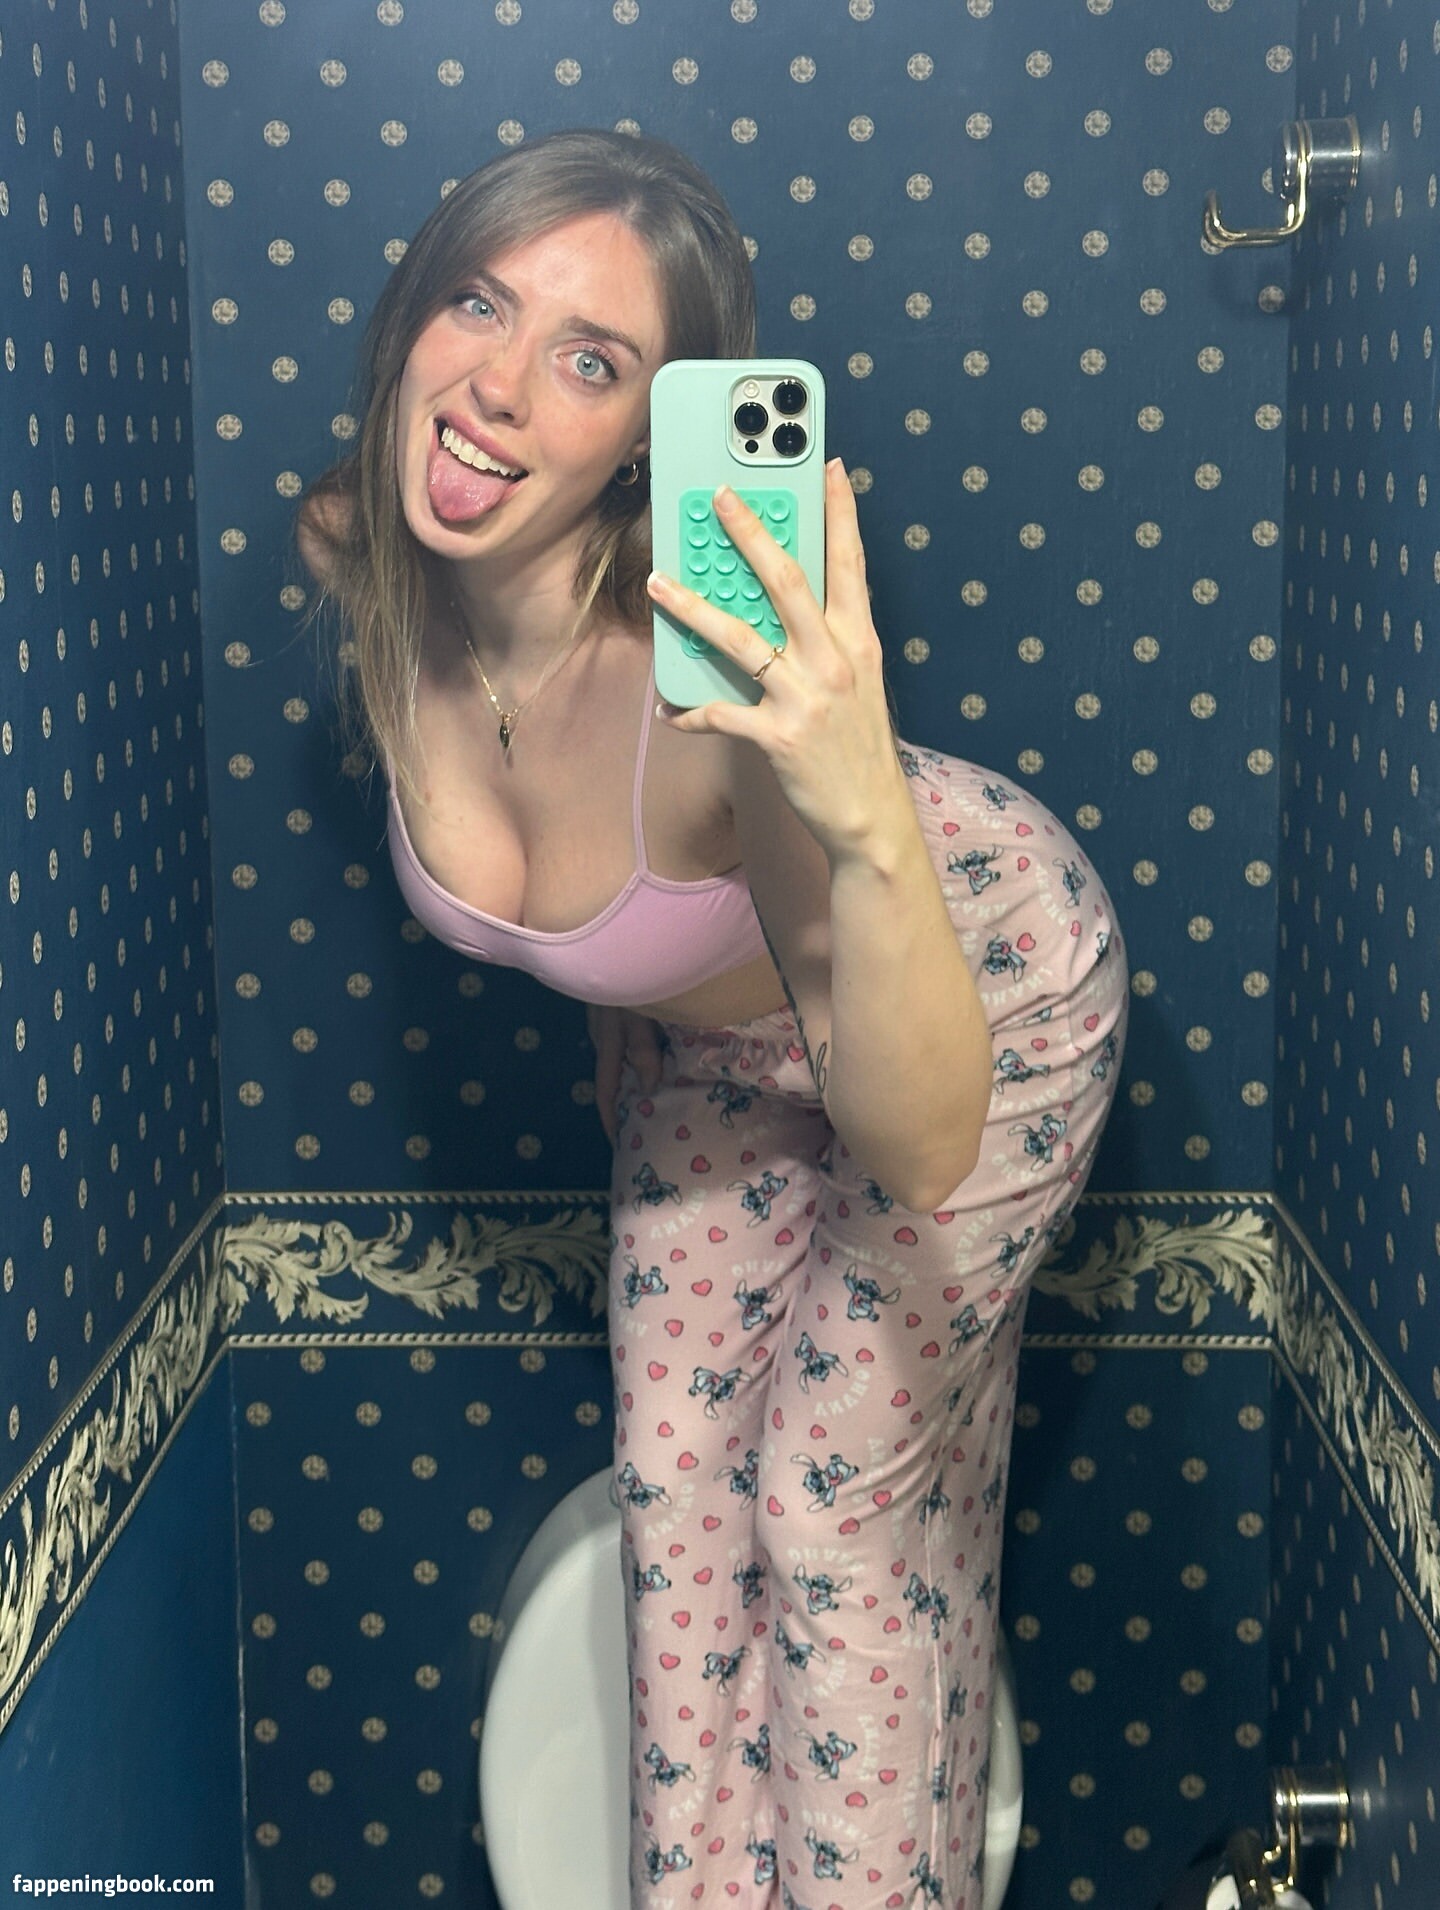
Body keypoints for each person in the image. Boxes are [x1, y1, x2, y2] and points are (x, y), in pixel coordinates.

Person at [295, 126, 1129, 1910]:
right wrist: (638, 983)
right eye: (479, 304)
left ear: (647, 441)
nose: (498, 389)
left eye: (591, 361)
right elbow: (593, 875)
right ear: (413, 313)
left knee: (830, 1507)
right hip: (729, 1048)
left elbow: (917, 1140)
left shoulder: (704, 701)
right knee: (675, 1491)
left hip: (972, 988)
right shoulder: (368, 542)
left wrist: (854, 807)